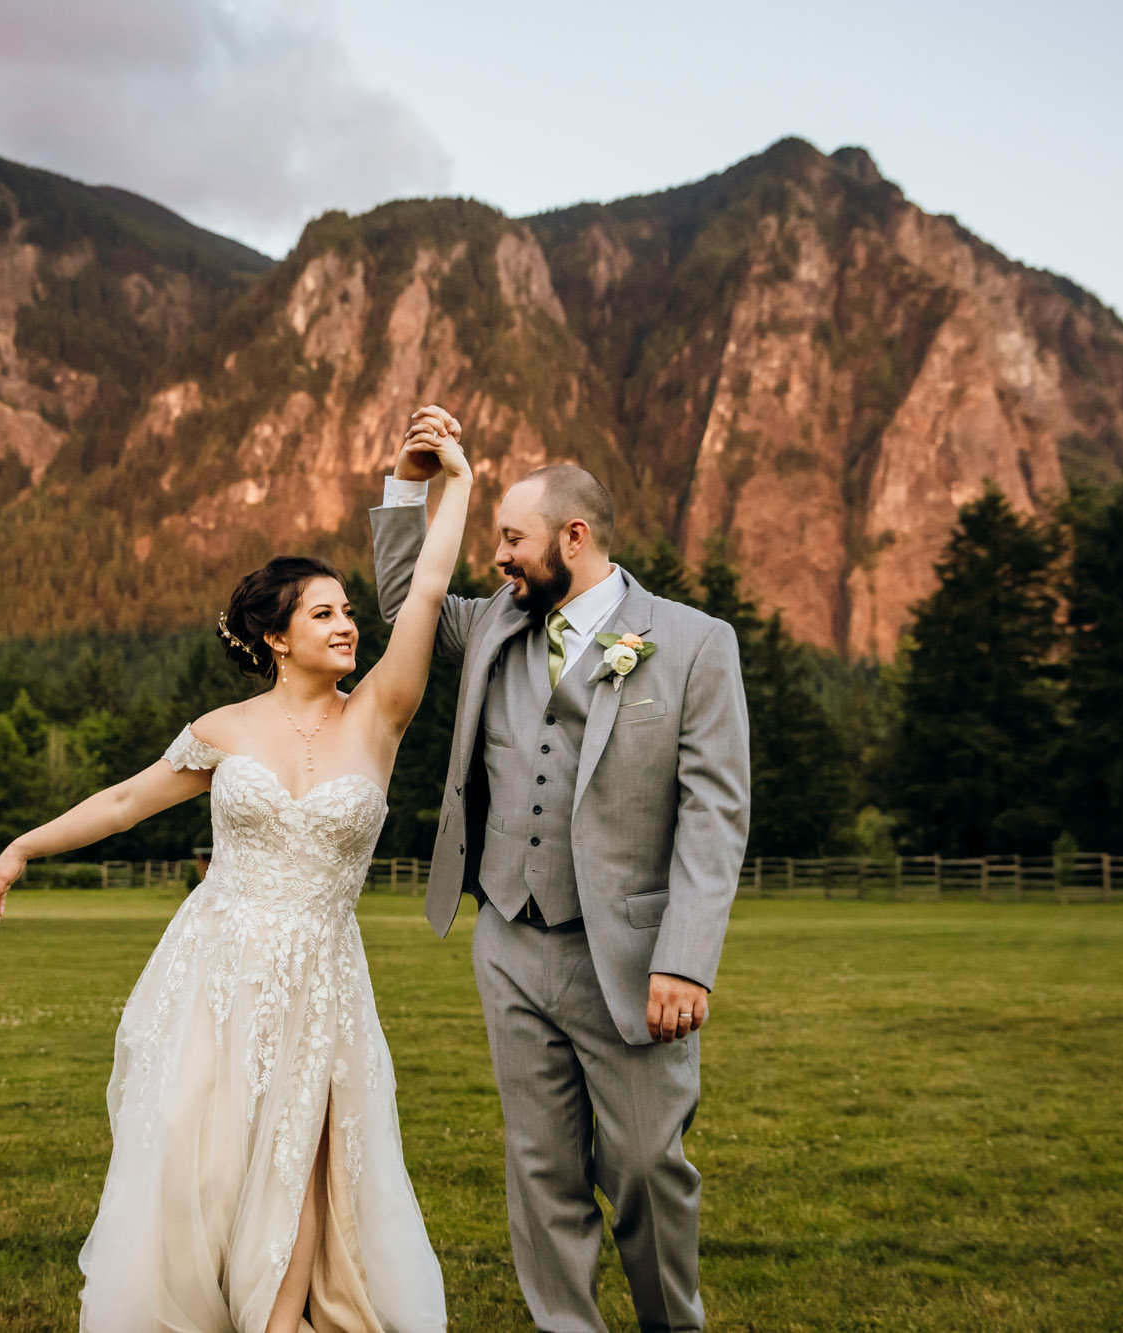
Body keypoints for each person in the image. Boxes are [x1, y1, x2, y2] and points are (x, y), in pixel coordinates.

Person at [0, 423, 474, 1333]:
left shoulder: (381, 717)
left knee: (302, 1157)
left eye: (347, 612)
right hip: (213, 968)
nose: (347, 624)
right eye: (323, 613)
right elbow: (125, 801)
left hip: (320, 972)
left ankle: (278, 1323)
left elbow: (431, 590)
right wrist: (22, 847)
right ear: (277, 637)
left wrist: (455, 485)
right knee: (199, 1161)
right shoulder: (224, 729)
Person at [370, 406, 751, 1333]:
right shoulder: (495, 623)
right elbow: (401, 603)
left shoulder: (695, 643)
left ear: (572, 539)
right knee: (540, 1168)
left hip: (628, 953)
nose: (497, 556)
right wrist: (406, 485)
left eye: (512, 538)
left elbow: (716, 811)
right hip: (507, 938)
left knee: (649, 1170)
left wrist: (687, 957)